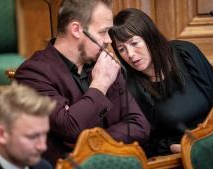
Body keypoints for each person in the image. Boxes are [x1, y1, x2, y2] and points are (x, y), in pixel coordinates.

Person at [15, 0, 150, 165]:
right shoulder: (33, 74)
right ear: (77, 30)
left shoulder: (105, 63)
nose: (109, 40)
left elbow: (139, 125)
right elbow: (70, 128)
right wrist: (100, 84)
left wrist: (85, 141)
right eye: (103, 32)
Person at [109, 8, 213, 157]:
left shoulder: (186, 53)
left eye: (134, 43)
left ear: (149, 36)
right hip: (182, 157)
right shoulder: (132, 87)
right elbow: (147, 144)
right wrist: (175, 148)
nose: (130, 54)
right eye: (122, 49)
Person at [0, 82, 56, 169]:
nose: (43, 146)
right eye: (32, 137)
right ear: (1, 134)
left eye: (44, 134)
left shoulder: (44, 167)